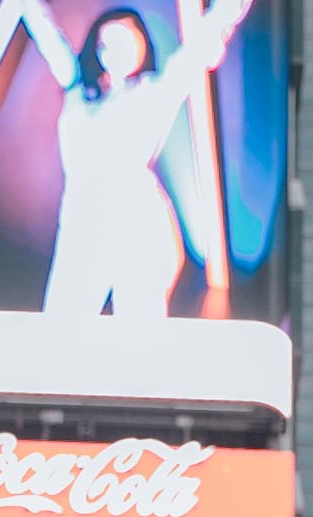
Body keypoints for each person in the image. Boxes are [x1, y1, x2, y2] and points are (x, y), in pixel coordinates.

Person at [22, 0, 255, 320]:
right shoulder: (79, 88)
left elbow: (199, 47)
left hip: (134, 220)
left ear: (140, 48)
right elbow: (46, 33)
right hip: (82, 219)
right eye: (107, 43)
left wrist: (227, 10)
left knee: (138, 329)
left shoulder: (153, 93)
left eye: (124, 42)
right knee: (63, 324)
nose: (113, 52)